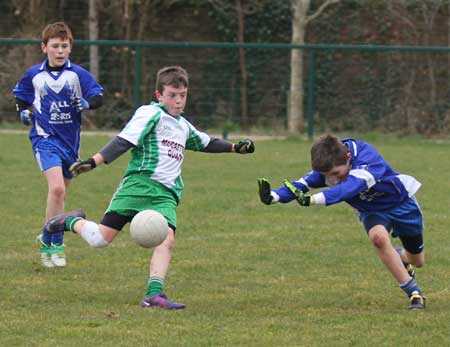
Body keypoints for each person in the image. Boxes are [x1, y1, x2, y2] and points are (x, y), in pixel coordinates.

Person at [44, 66, 255, 309]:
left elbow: (207, 142)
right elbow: (124, 141)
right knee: (100, 240)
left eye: (183, 95)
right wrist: (94, 161)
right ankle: (69, 221)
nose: (178, 100)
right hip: (137, 186)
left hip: (165, 194)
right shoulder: (149, 113)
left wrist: (235, 148)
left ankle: (154, 294)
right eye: (172, 95)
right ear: (159, 95)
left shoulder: (183, 126)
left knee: (167, 239)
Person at [258, 134, 426, 310]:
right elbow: (301, 184)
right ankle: (413, 293)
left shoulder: (367, 158)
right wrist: (274, 196)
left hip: (402, 204)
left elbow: (348, 188)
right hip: (371, 211)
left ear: (348, 157)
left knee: (417, 260)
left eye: (336, 174)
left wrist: (312, 200)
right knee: (378, 238)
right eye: (328, 176)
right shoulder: (331, 165)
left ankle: (401, 257)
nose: (333, 179)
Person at [13, 22, 104, 268]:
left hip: (70, 144)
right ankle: (53, 244)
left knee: (60, 195)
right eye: (55, 46)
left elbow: (98, 96)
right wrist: (23, 113)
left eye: (64, 46)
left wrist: (88, 104)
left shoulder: (78, 74)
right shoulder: (35, 75)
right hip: (44, 139)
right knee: (57, 190)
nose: (60, 50)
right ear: (45, 48)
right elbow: (21, 97)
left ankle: (46, 234)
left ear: (70, 48)